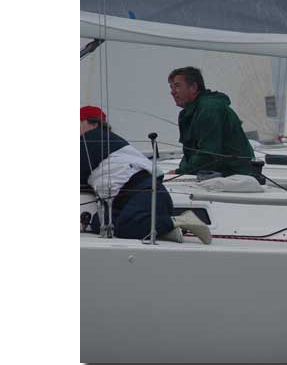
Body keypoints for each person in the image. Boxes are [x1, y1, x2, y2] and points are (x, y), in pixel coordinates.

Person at [80, 105, 211, 244]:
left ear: (94, 124)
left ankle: (182, 220)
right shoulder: (106, 142)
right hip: (139, 196)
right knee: (99, 223)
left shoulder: (94, 138)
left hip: (142, 191)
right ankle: (165, 231)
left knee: (126, 225)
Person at [168, 66, 256, 178]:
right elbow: (190, 152)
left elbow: (208, 154)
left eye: (177, 86)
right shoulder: (189, 112)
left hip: (235, 175)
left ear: (193, 87)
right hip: (216, 174)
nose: (172, 92)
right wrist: (181, 170)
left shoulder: (209, 109)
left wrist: (181, 172)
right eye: (171, 87)